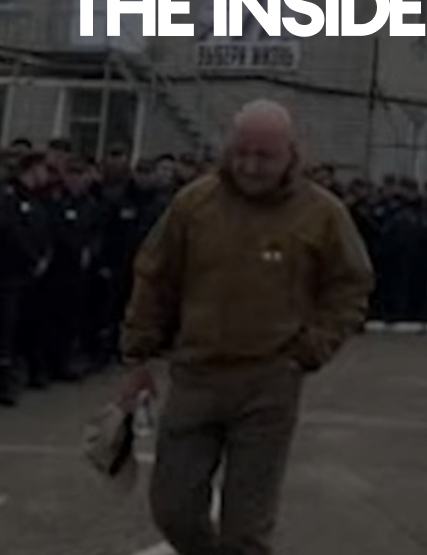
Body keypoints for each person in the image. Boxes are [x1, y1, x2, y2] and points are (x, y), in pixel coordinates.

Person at [118, 99, 375, 555]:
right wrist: (138, 355)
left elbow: (351, 285)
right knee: (174, 508)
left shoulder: (321, 213)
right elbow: (154, 276)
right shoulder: (194, 203)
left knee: (246, 529)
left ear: (291, 153)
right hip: (195, 379)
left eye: (265, 156)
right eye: (242, 153)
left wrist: (313, 348)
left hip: (268, 383)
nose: (250, 167)